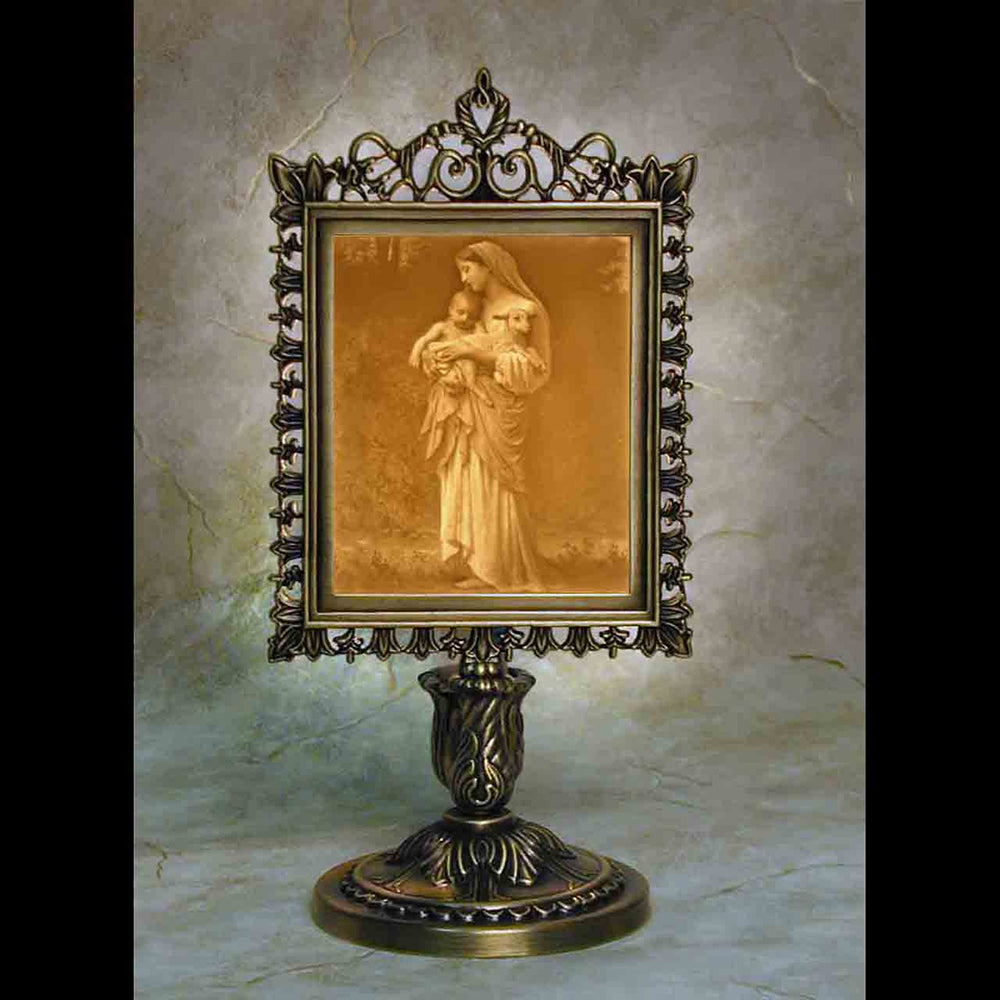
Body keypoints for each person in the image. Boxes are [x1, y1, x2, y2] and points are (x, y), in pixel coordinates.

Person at [417, 241, 551, 592]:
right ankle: (480, 564)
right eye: (461, 271)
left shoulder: (525, 309)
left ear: (489, 266)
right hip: (466, 408)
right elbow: (447, 344)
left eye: (468, 269)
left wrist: (470, 353)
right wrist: (436, 359)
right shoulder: (474, 310)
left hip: (500, 410)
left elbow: (536, 372)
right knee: (469, 477)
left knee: (497, 486)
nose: (463, 278)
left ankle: (506, 569)